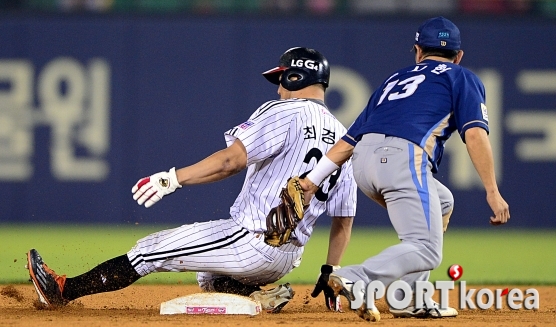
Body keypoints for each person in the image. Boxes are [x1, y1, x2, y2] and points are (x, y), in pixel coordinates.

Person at [26, 47, 358, 313]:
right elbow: (343, 220)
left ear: (296, 76)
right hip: (288, 256)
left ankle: (62, 291)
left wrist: (173, 178)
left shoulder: (285, 111)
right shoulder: (344, 140)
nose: (279, 88)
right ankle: (261, 295)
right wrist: (330, 271)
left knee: (148, 252)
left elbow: (231, 161)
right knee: (209, 276)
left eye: (282, 79)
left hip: (252, 240)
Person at [301, 17, 510, 322]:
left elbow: (348, 140)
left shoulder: (394, 80)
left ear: (417, 51)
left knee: (442, 202)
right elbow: (475, 135)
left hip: (363, 163)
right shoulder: (462, 77)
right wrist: (492, 191)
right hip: (402, 158)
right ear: (459, 55)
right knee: (426, 248)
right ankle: (355, 278)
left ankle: (409, 299)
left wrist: (311, 181)